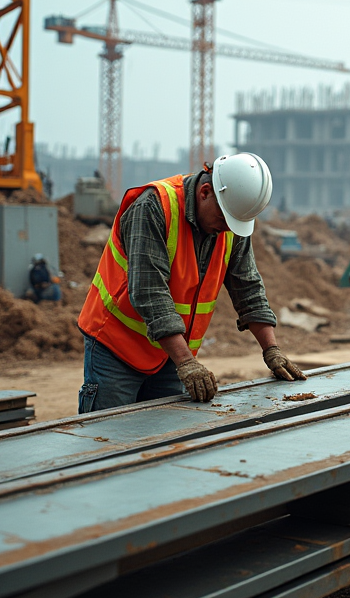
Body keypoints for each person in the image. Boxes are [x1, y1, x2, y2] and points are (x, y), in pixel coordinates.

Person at [76, 153, 305, 413]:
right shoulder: (153, 207)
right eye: (224, 220)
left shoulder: (229, 222)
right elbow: (150, 292)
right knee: (108, 439)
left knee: (166, 440)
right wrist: (186, 362)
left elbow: (248, 288)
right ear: (205, 192)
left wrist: (271, 349)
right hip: (116, 347)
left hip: (170, 354)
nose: (227, 230)